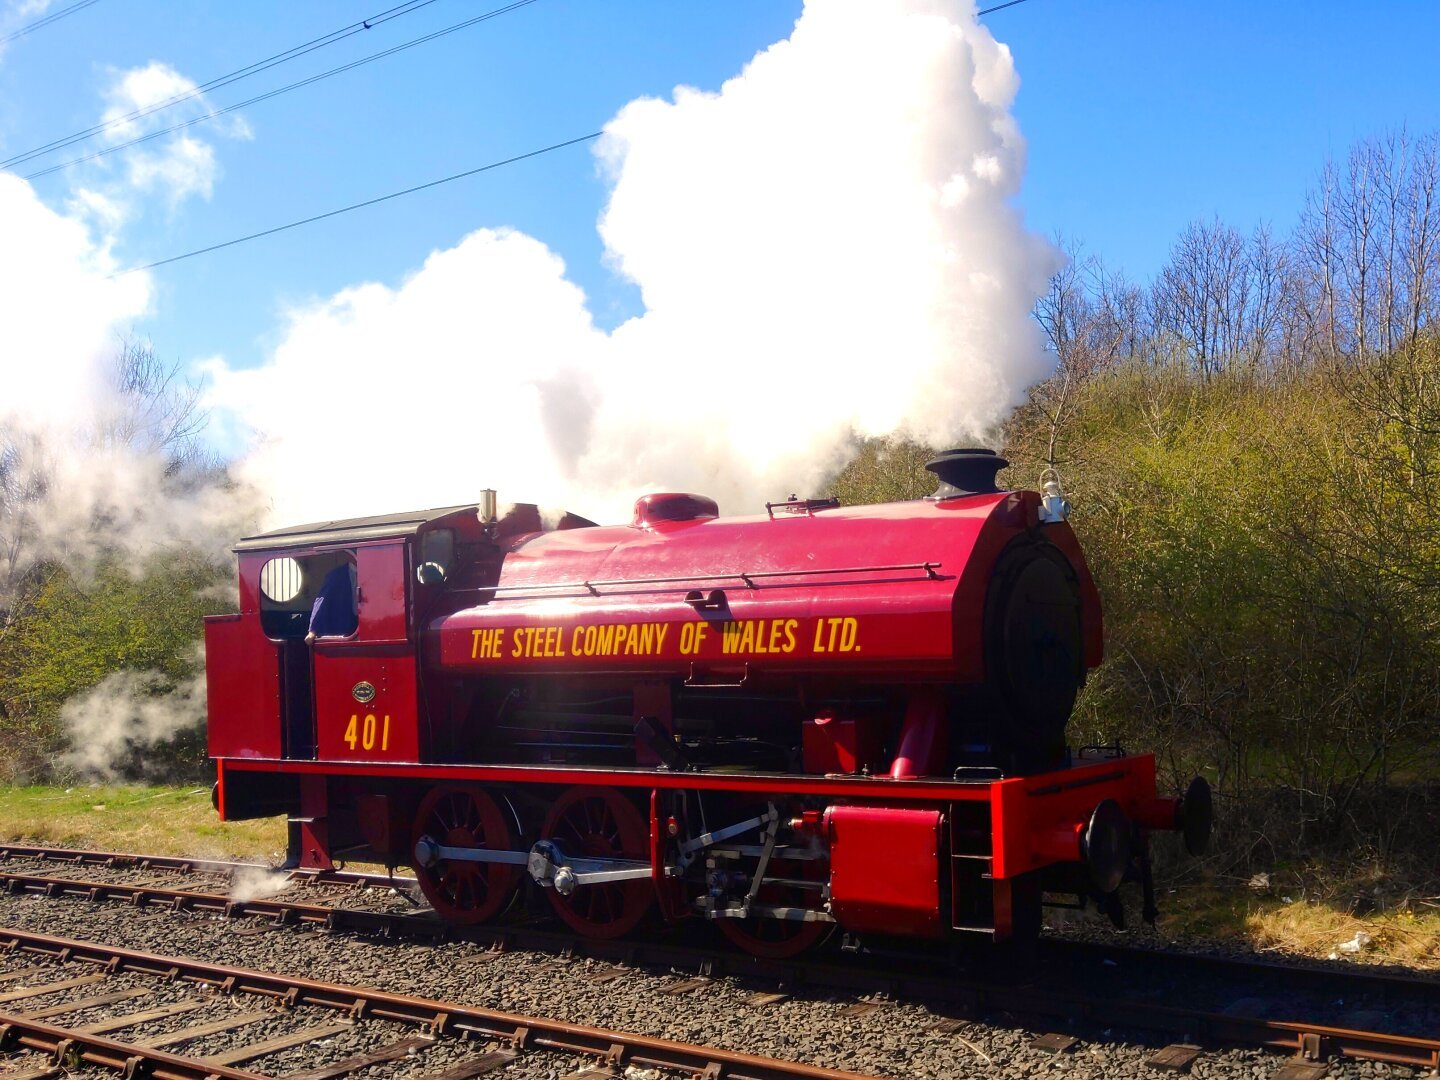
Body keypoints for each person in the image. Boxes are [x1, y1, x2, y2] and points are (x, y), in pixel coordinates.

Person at [306, 560, 358, 641]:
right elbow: (322, 600)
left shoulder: (373, 573)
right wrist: (312, 631)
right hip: (343, 627)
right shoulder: (336, 575)